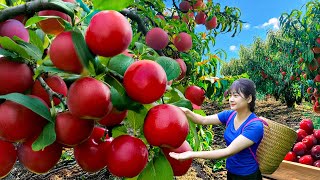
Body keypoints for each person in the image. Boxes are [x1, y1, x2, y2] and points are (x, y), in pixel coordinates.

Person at [169, 78, 264, 180]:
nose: (231, 99)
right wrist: (186, 112)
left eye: (236, 96)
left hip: (247, 176)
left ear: (249, 99)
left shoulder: (255, 126)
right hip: (232, 171)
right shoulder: (229, 115)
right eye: (230, 95)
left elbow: (228, 151)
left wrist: (191, 154)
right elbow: (203, 120)